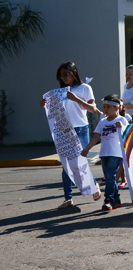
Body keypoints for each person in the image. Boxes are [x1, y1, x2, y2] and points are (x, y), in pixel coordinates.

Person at [40, 61, 102, 209]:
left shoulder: (85, 88)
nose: (63, 78)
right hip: (64, 130)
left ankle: (93, 184)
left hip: (80, 129)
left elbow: (92, 108)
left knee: (80, 162)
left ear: (74, 72)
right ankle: (68, 198)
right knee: (66, 164)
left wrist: (75, 98)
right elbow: (54, 110)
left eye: (66, 74)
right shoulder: (60, 92)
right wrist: (44, 104)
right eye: (61, 76)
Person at [80, 94, 127, 211]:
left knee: (110, 175)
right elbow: (96, 137)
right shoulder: (102, 122)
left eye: (108, 107)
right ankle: (117, 200)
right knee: (109, 177)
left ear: (116, 108)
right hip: (104, 153)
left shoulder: (122, 119)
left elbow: (126, 136)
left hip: (116, 153)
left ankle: (108, 200)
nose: (104, 109)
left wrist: (121, 127)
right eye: (104, 107)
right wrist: (87, 148)